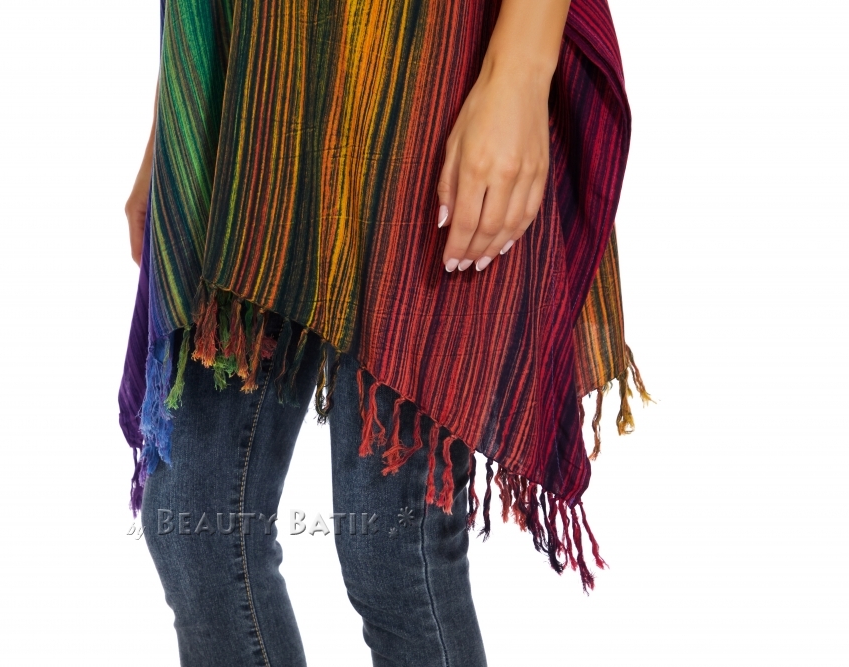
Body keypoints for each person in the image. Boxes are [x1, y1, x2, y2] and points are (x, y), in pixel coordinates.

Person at [119, 0, 635, 665]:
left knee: (392, 544)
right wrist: (179, 106)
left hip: (418, 46)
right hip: (252, 63)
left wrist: (521, 68)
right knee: (194, 520)